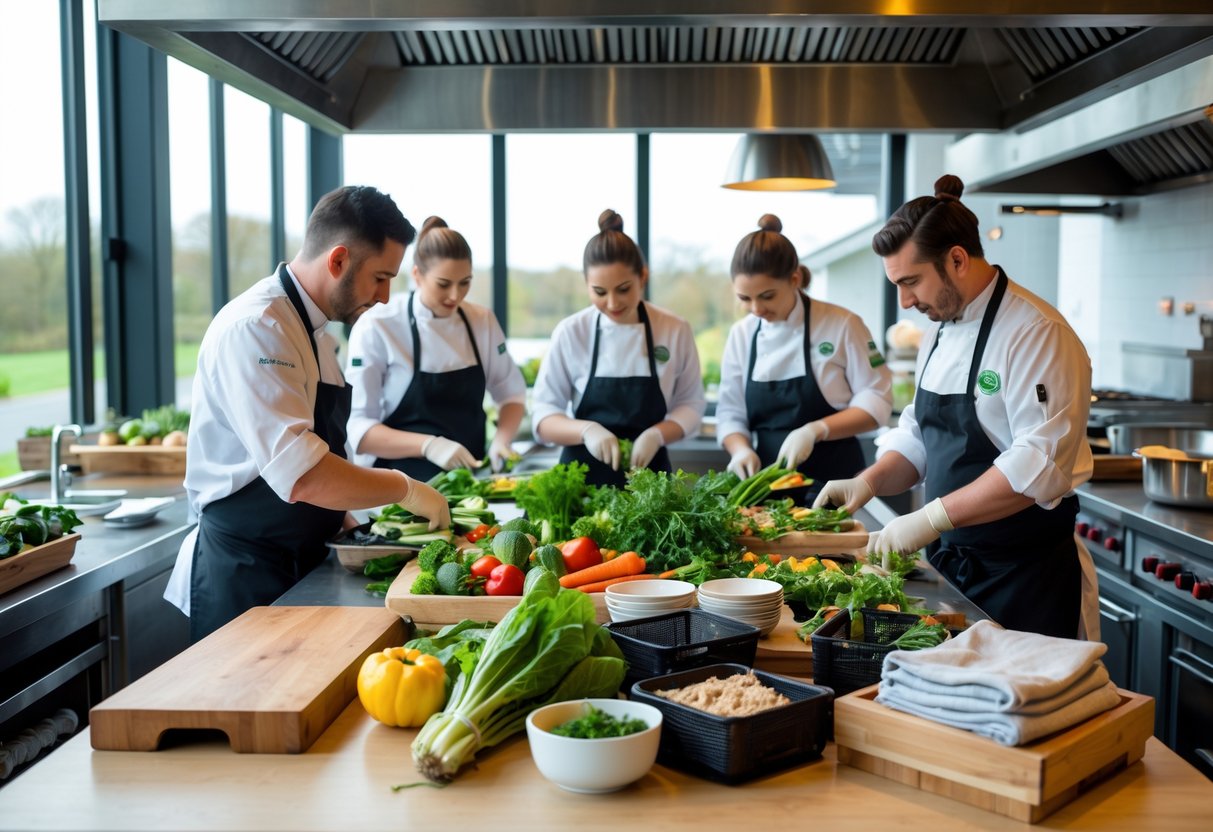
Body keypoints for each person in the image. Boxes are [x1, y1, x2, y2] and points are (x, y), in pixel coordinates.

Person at [813, 175, 1098, 640]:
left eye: (911, 282)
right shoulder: (939, 330)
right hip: (956, 570)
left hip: (1025, 581)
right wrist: (869, 480)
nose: (905, 301)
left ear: (958, 259)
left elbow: (1037, 467)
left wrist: (930, 518)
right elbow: (919, 435)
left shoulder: (1036, 332)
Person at [165, 186, 451, 642]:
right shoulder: (257, 329)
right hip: (243, 573)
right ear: (337, 261)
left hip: (302, 560)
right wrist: (405, 488)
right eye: (379, 277)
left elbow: (325, 446)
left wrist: (353, 531)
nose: (384, 296)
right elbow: (304, 476)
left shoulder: (318, 335)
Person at [717, 215, 893, 492]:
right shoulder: (742, 334)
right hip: (766, 488)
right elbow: (730, 412)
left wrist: (816, 430)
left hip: (836, 484)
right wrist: (740, 449)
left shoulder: (842, 324)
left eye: (767, 296)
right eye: (744, 298)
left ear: (795, 278)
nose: (756, 309)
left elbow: (877, 402)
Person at [532, 209, 705, 487]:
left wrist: (657, 435)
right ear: (586, 285)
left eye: (623, 289)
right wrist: (587, 430)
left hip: (650, 484)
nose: (612, 303)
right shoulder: (571, 332)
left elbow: (691, 405)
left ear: (643, 277)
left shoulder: (674, 328)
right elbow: (543, 416)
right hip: (580, 485)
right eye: (599, 292)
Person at [344, 216, 526, 480]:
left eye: (465, 282)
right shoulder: (378, 325)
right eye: (444, 284)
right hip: (397, 485)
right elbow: (359, 428)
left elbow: (511, 395)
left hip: (468, 480)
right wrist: (429, 445)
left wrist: (502, 440)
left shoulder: (481, 320)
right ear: (417, 275)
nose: (455, 295)